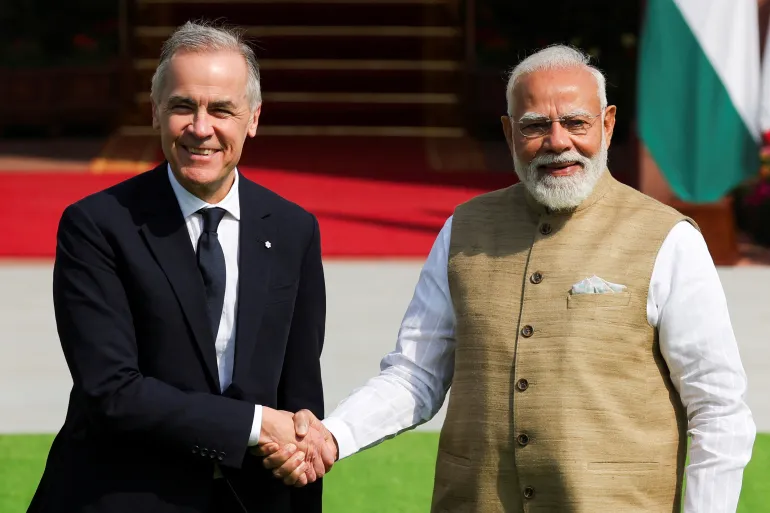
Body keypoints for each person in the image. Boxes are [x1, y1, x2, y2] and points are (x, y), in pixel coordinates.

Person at [261, 45, 757, 512]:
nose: (558, 142)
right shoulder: (464, 229)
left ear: (607, 125)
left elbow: (718, 410)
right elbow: (416, 374)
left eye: (576, 123)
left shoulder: (668, 239)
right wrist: (334, 435)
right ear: (508, 132)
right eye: (535, 125)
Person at [28, 21, 333, 513]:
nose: (201, 128)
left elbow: (300, 395)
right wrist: (256, 426)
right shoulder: (96, 226)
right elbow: (111, 391)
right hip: (124, 494)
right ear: (155, 112)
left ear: (253, 119)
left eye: (222, 110)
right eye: (183, 106)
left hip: (252, 498)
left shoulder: (294, 229)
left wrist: (301, 458)